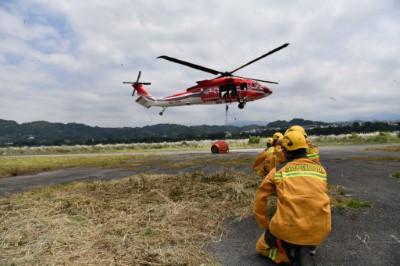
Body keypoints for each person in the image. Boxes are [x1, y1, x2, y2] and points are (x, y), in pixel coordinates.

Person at [253, 130, 331, 264]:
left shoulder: (277, 171)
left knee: (260, 248)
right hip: (321, 229)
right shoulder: (321, 170)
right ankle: (312, 244)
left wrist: (264, 223)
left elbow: (260, 199)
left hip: (287, 230)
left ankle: (285, 257)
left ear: (286, 151)